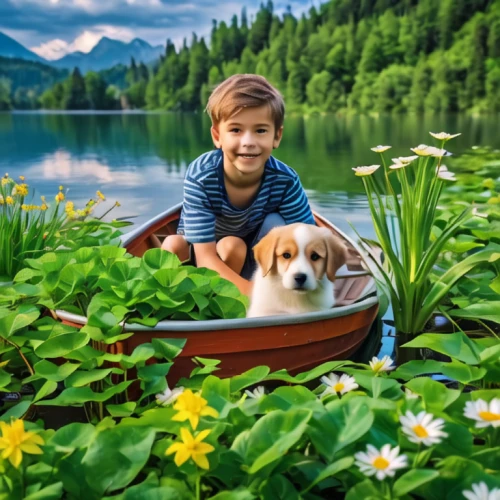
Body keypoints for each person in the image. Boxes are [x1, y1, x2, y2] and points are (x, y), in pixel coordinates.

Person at [162, 74, 315, 296]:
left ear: (277, 136)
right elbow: (205, 257)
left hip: (253, 258)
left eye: (261, 130)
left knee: (276, 225)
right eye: (235, 130)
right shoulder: (201, 176)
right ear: (217, 136)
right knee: (174, 245)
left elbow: (309, 240)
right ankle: (195, 298)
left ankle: (268, 286)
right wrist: (256, 297)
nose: (248, 142)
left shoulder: (286, 180)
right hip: (202, 253)